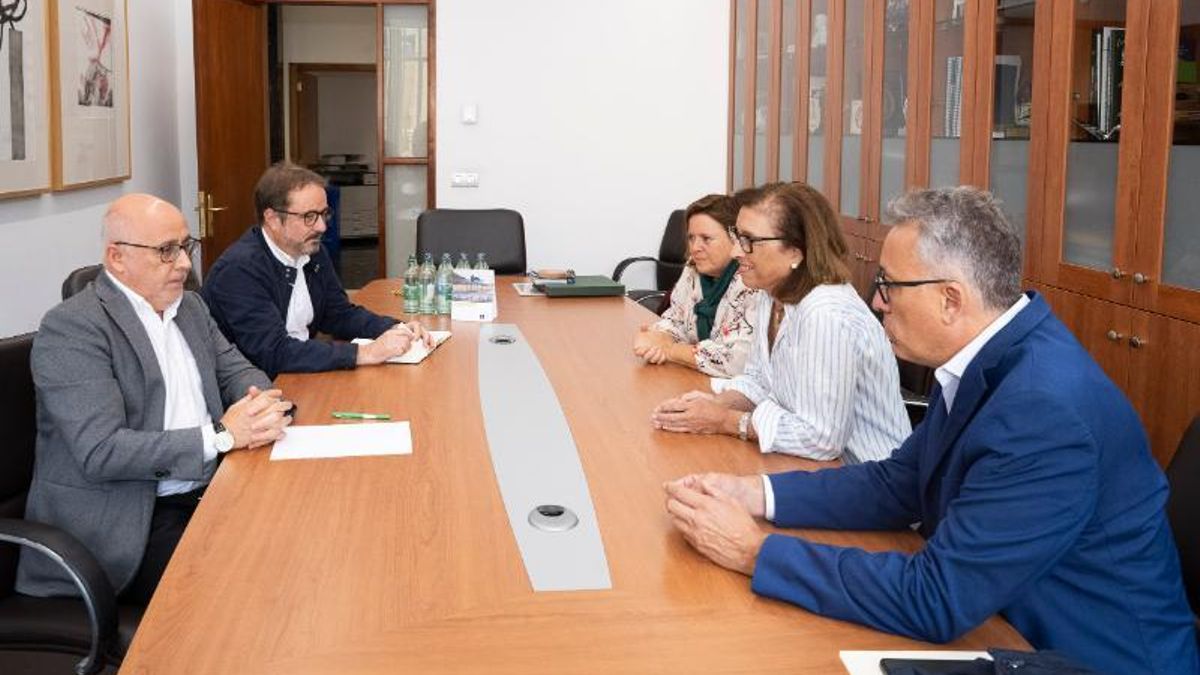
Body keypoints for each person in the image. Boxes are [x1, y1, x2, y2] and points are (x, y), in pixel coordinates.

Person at [663, 187, 1199, 675]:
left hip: (1083, 658)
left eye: (888, 285)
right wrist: (754, 492)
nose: (877, 302)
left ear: (950, 298)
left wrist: (755, 552)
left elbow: (937, 598)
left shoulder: (1042, 410)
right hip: (1003, 622)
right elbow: (899, 482)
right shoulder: (987, 358)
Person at [17, 194, 294, 605]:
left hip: (210, 488)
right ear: (117, 258)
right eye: (166, 250)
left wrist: (260, 404)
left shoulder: (190, 307)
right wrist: (221, 435)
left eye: (185, 247)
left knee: (299, 539)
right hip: (130, 520)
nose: (184, 264)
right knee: (243, 588)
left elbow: (238, 371)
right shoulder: (72, 328)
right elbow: (102, 450)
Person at [651, 182, 909, 462]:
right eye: (737, 236)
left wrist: (725, 420)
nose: (736, 251)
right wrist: (715, 404)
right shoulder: (771, 293)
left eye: (749, 240)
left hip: (862, 470)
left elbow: (821, 438)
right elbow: (759, 380)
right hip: (805, 461)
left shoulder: (826, 313)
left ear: (795, 252)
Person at [201, 163, 429, 378]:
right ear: (272, 219)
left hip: (300, 373)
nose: (322, 226)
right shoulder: (238, 271)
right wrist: (365, 353)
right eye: (309, 217)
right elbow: (273, 353)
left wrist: (395, 328)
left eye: (324, 214)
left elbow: (339, 314)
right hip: (258, 389)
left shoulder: (311, 251)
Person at [632, 194, 762, 377]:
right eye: (691, 238)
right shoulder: (693, 268)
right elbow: (675, 319)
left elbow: (736, 360)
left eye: (706, 239)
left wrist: (670, 350)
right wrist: (658, 337)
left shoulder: (751, 279)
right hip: (699, 378)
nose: (694, 248)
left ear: (735, 239)